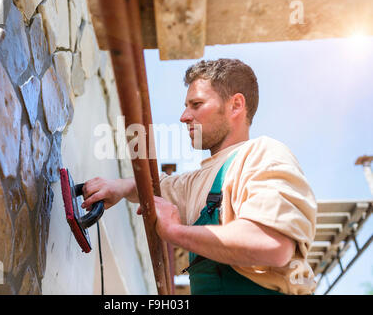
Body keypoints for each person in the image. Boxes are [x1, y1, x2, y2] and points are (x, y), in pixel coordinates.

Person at [81, 59, 317, 295]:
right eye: (186, 106)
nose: (184, 116)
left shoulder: (261, 154)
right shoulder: (197, 182)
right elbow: (158, 186)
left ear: (235, 105)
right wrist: (118, 187)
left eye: (196, 104)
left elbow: (271, 245)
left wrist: (174, 231)